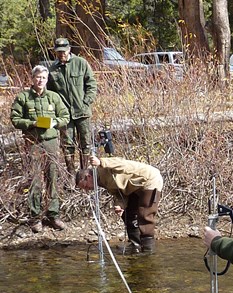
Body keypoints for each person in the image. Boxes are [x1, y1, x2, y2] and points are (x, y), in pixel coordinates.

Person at [10, 65, 70, 233]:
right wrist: (31, 124)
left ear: (47, 79)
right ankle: (35, 217)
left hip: (51, 142)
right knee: (35, 179)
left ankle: (53, 215)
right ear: (32, 78)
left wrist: (55, 122)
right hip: (33, 143)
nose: (40, 80)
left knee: (52, 178)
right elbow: (15, 119)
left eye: (43, 77)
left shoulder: (54, 97)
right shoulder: (23, 97)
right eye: (37, 77)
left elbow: (65, 117)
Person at [76, 155, 163, 253]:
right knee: (128, 213)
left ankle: (148, 250)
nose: (87, 190)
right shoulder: (101, 181)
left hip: (149, 180)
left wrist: (101, 162)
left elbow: (121, 163)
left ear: (89, 177)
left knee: (144, 214)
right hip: (134, 188)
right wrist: (119, 205)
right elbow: (119, 192)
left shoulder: (104, 168)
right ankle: (136, 245)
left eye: (85, 186)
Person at [47, 37, 98, 172]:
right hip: (64, 115)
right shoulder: (52, 70)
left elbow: (91, 85)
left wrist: (86, 102)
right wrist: (54, 110)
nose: (62, 54)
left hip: (82, 112)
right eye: (59, 52)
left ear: (69, 49)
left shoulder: (81, 63)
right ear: (55, 52)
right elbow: (50, 94)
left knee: (85, 143)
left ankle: (85, 173)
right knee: (67, 145)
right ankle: (71, 175)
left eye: (64, 51)